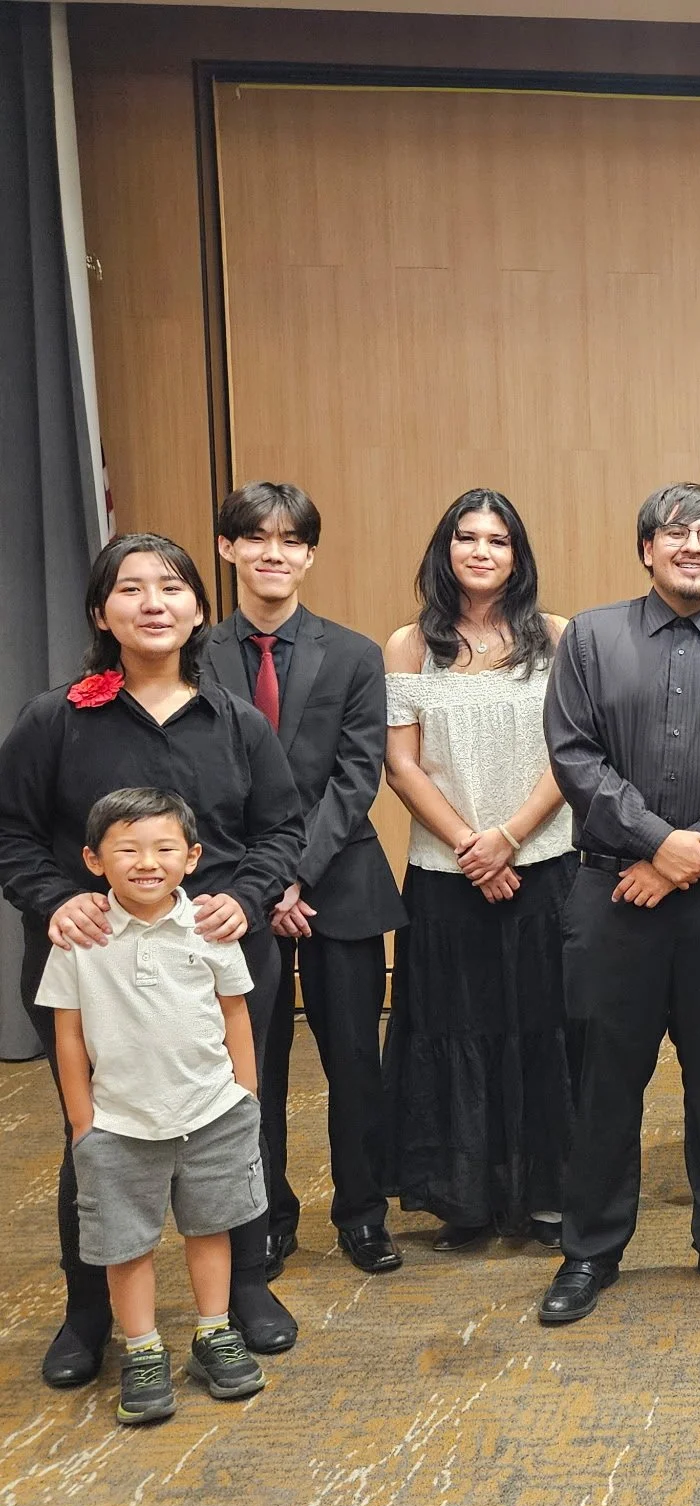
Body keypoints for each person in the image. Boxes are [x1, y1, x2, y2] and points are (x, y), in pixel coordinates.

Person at [0, 532, 303, 1386]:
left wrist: (244, 900)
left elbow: (283, 830)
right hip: (90, 963)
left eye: (171, 588)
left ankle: (243, 1293)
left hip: (217, 954)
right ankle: (87, 1313)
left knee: (234, 1117)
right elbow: (12, 831)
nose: (153, 603)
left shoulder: (236, 719)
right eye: (130, 589)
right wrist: (56, 899)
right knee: (94, 1132)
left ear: (199, 609)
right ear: (103, 613)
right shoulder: (55, 718)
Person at [539, 483, 700, 1322]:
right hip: (612, 893)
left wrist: (684, 860)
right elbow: (575, 757)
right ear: (646, 548)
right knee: (603, 1079)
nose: (694, 545)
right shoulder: (590, 637)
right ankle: (590, 1249)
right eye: (674, 533)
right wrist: (656, 842)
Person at [202, 481, 408, 1278]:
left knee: (356, 1057)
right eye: (257, 539)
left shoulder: (354, 654)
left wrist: (291, 873)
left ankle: (362, 1213)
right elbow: (206, 781)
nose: (274, 553)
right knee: (254, 1065)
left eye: (291, 541)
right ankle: (264, 1215)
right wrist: (261, 883)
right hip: (235, 892)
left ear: (311, 555)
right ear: (229, 549)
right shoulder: (199, 654)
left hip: (339, 882)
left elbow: (358, 778)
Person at [382, 489, 576, 1252]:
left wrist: (512, 838)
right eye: (467, 537)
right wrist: (472, 845)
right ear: (446, 549)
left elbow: (574, 753)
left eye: (498, 540)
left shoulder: (558, 637)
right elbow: (400, 764)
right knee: (454, 1028)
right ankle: (464, 1198)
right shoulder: (408, 645)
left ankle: (548, 1195)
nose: (481, 551)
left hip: (544, 864)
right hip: (445, 873)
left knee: (543, 1029)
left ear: (518, 556)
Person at [39, 789, 270, 1424]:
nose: (148, 861)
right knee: (126, 1244)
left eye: (166, 847)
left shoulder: (207, 925)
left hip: (211, 1111)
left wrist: (245, 1098)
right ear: (94, 859)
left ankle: (213, 1331)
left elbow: (235, 1013)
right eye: (128, 849)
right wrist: (84, 1123)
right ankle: (141, 1349)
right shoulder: (79, 936)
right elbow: (67, 1034)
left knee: (211, 1226)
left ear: (192, 856)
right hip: (117, 1122)